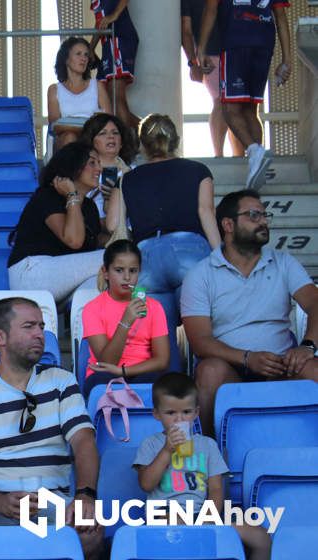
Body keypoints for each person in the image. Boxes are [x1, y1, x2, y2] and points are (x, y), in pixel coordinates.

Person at [0, 298, 103, 560]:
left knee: (88, 530)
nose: (40, 334)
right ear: (0, 336)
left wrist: (85, 495)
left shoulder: (61, 382)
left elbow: (84, 442)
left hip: (50, 501)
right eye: (29, 326)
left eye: (41, 326)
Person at [181, 190, 318, 436]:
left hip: (281, 367)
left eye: (265, 215)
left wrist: (307, 346)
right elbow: (200, 342)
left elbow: (315, 304)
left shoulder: (283, 262)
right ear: (228, 224)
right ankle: (214, 460)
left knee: (313, 369)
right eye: (253, 215)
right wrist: (247, 358)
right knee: (209, 372)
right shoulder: (201, 274)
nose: (263, 221)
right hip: (230, 369)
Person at [133, 373, 272, 560]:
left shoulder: (207, 445)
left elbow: (215, 489)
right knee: (178, 525)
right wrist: (167, 451)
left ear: (196, 413)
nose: (179, 420)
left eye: (186, 412)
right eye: (171, 413)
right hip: (164, 514)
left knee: (261, 538)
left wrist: (208, 517)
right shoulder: (150, 444)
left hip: (202, 513)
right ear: (157, 414)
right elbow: (146, 484)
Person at [109, 114, 220, 298]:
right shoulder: (199, 170)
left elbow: (113, 224)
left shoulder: (127, 179)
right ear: (176, 141)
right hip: (191, 251)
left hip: (145, 259)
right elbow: (206, 213)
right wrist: (220, 257)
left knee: (153, 326)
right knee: (197, 324)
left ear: (143, 145)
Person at [198, 0, 290, 190]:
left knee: (229, 108)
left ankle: (255, 151)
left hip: (236, 42)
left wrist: (201, 48)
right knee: (250, 109)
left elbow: (211, 9)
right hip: (264, 44)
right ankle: (258, 164)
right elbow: (280, 17)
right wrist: (286, 59)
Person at [7, 142, 109, 305]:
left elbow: (90, 244)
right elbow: (74, 240)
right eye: (92, 162)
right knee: (114, 258)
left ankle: (84, 330)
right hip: (31, 273)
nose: (99, 169)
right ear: (74, 165)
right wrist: (72, 195)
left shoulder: (89, 207)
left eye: (99, 163)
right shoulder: (48, 196)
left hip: (59, 280)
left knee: (96, 284)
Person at [81, 240, 170, 397]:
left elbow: (162, 361)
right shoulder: (92, 308)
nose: (127, 277)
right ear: (106, 272)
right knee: (103, 382)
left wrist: (124, 371)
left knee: (164, 383)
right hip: (105, 374)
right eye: (119, 270)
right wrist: (126, 322)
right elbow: (107, 362)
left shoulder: (154, 307)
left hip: (142, 372)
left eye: (133, 270)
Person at [180, 0, 243, 158]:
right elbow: (185, 31)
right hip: (210, 53)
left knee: (239, 104)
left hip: (237, 50)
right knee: (220, 101)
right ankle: (219, 155)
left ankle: (239, 156)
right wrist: (193, 63)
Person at [48, 37, 112, 151]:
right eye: (78, 54)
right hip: (68, 140)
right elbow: (55, 126)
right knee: (70, 137)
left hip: (94, 139)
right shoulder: (54, 90)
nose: (84, 58)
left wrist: (74, 125)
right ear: (66, 59)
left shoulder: (97, 86)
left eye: (86, 55)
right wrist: (88, 126)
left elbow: (109, 120)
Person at [89, 0, 140, 130]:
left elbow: (108, 17)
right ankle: (151, 132)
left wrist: (115, 15)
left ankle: (145, 137)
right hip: (109, 42)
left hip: (118, 38)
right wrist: (91, 49)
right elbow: (100, 22)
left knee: (116, 99)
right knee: (110, 104)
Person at [78, 113, 136, 219]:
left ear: (122, 142)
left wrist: (117, 196)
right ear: (91, 141)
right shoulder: (82, 173)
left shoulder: (134, 172)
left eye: (115, 133)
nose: (111, 137)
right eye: (102, 133)